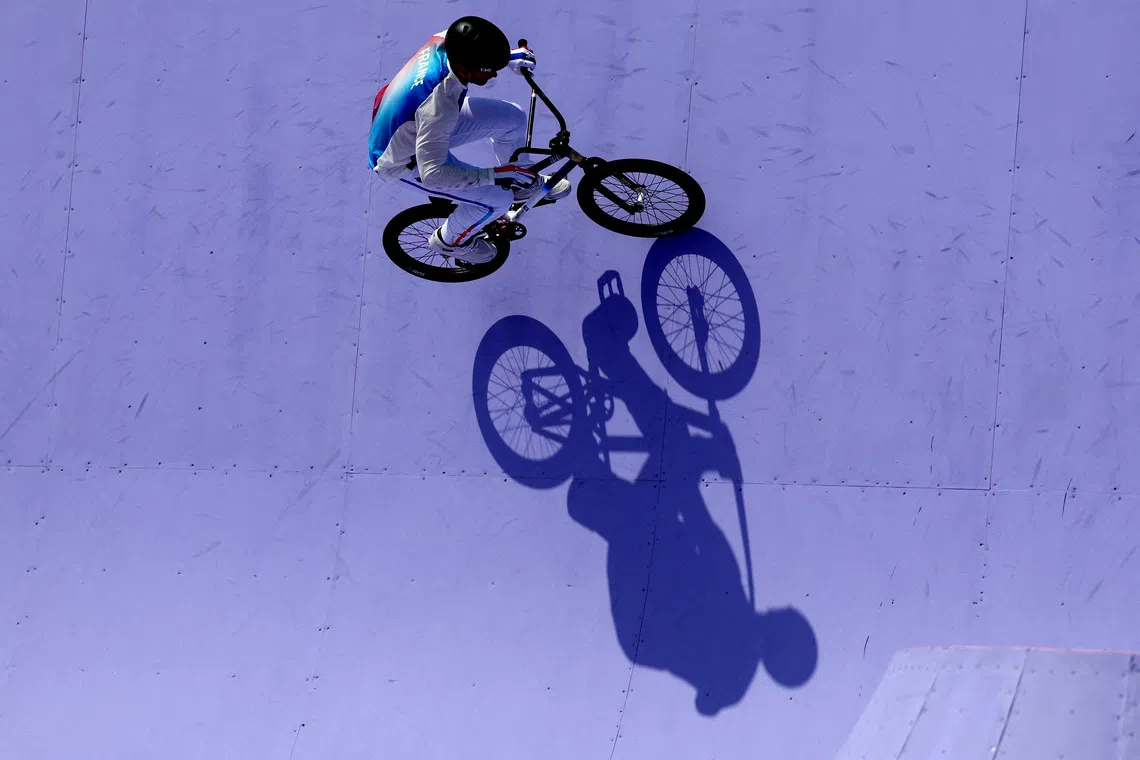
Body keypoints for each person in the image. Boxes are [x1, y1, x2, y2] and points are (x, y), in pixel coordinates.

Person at [369, 17, 571, 265]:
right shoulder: (439, 106)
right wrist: (495, 174)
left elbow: (474, 49)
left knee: (512, 118)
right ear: (465, 68)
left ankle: (521, 185)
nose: (495, 73)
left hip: (414, 120)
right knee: (498, 200)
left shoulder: (447, 38)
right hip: (404, 159)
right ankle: (449, 242)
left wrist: (508, 56)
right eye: (489, 70)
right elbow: (433, 173)